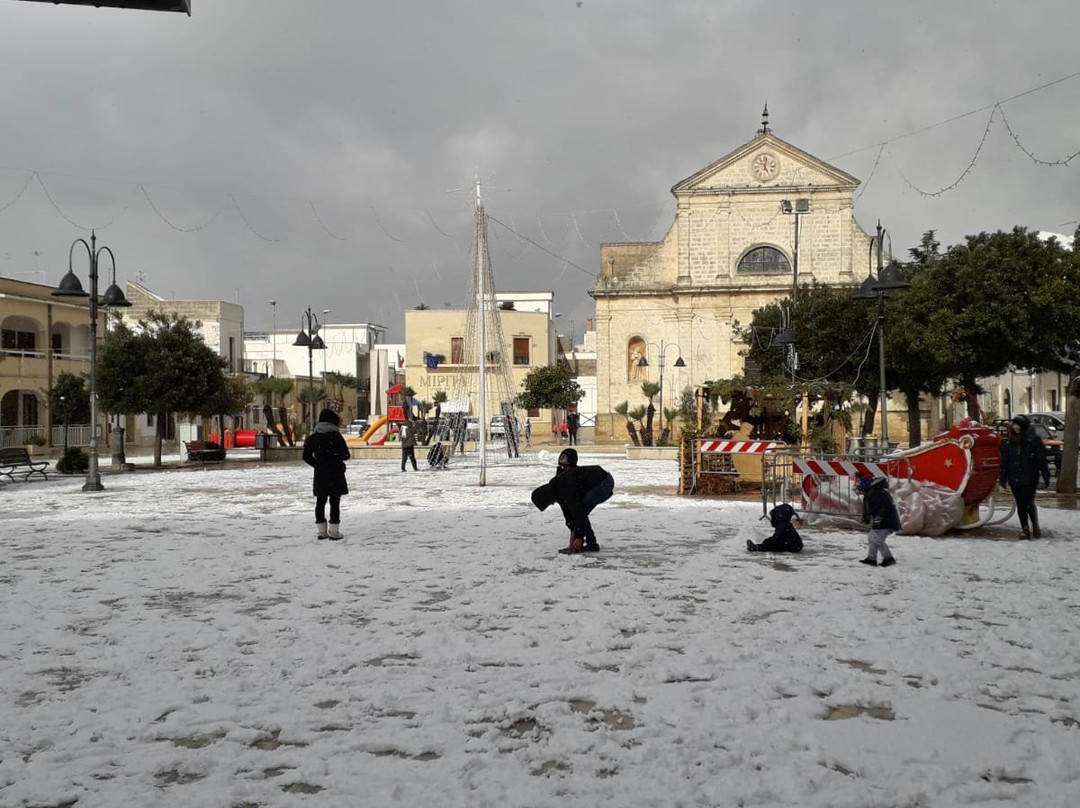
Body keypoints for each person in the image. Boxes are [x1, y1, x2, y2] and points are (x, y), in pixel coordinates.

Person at [531, 448, 615, 554]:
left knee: (581, 511)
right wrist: (572, 529)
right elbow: (568, 513)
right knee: (580, 513)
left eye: (549, 503)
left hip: (604, 482)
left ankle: (587, 544)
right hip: (596, 482)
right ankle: (591, 544)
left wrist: (578, 537)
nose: (552, 504)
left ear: (548, 498)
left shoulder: (564, 486)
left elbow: (578, 512)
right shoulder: (557, 490)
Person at [999, 413, 1051, 539]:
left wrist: (1046, 475)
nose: (1016, 427)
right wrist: (1003, 477)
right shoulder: (1009, 441)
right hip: (1015, 476)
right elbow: (1005, 461)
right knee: (1020, 504)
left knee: (1028, 503)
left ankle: (1035, 525)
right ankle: (1025, 529)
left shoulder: (1033, 440)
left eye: (1018, 425)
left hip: (1030, 477)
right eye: (1014, 424)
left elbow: (1041, 459)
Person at [302, 408, 351, 540]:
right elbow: (346, 455)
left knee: (320, 501)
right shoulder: (336, 437)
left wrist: (317, 464)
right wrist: (336, 458)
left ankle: (321, 531)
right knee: (334, 502)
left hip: (320, 474)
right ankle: (334, 532)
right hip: (335, 473)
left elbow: (306, 456)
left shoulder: (313, 437)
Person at [855, 472, 900, 567]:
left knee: (877, 539)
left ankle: (889, 558)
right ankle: (871, 558)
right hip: (882, 520)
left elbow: (884, 507)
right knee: (872, 538)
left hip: (886, 521)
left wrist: (879, 518)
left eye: (861, 482)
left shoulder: (877, 493)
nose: (859, 485)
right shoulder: (873, 492)